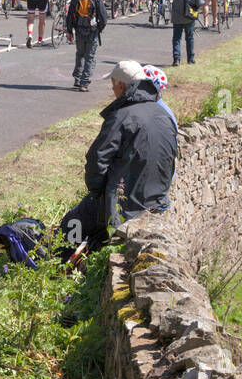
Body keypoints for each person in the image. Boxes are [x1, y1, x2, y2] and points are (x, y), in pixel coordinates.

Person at [59, 60, 177, 254]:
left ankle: (57, 269)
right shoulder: (163, 113)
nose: (112, 90)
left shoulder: (121, 116)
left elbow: (97, 160)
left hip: (126, 202)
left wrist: (98, 194)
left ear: (121, 86)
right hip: (158, 198)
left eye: (113, 85)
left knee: (73, 222)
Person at [66, 0, 107, 91]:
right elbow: (103, 17)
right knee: (90, 57)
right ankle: (84, 83)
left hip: (79, 30)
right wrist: (99, 28)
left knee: (80, 54)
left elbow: (70, 15)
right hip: (92, 32)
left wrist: (70, 31)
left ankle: (77, 79)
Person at [166, 0, 203, 66]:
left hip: (177, 15)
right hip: (189, 15)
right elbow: (200, 1)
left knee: (176, 38)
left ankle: (176, 59)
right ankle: (191, 59)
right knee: (189, 37)